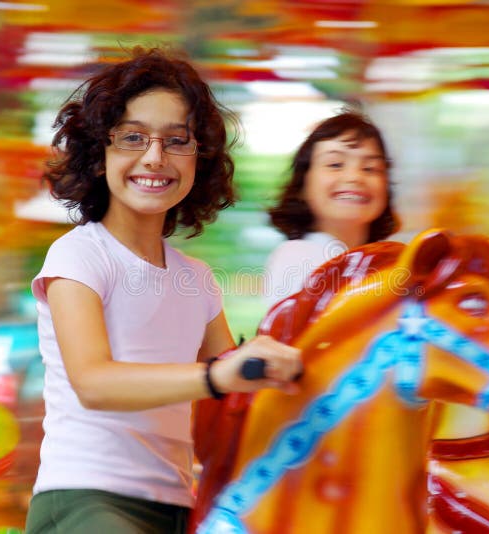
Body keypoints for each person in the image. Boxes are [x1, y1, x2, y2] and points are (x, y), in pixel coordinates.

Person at [24, 46, 301, 534]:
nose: (155, 157)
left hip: (178, 504)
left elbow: (233, 406)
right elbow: (94, 382)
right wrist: (216, 376)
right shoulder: (79, 255)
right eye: (133, 137)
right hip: (85, 500)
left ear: (200, 160)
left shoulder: (196, 279)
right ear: (98, 153)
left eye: (177, 141)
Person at [263, 110, 400, 306]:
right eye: (335, 164)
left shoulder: (388, 262)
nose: (354, 177)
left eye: (370, 168)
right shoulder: (297, 256)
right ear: (303, 185)